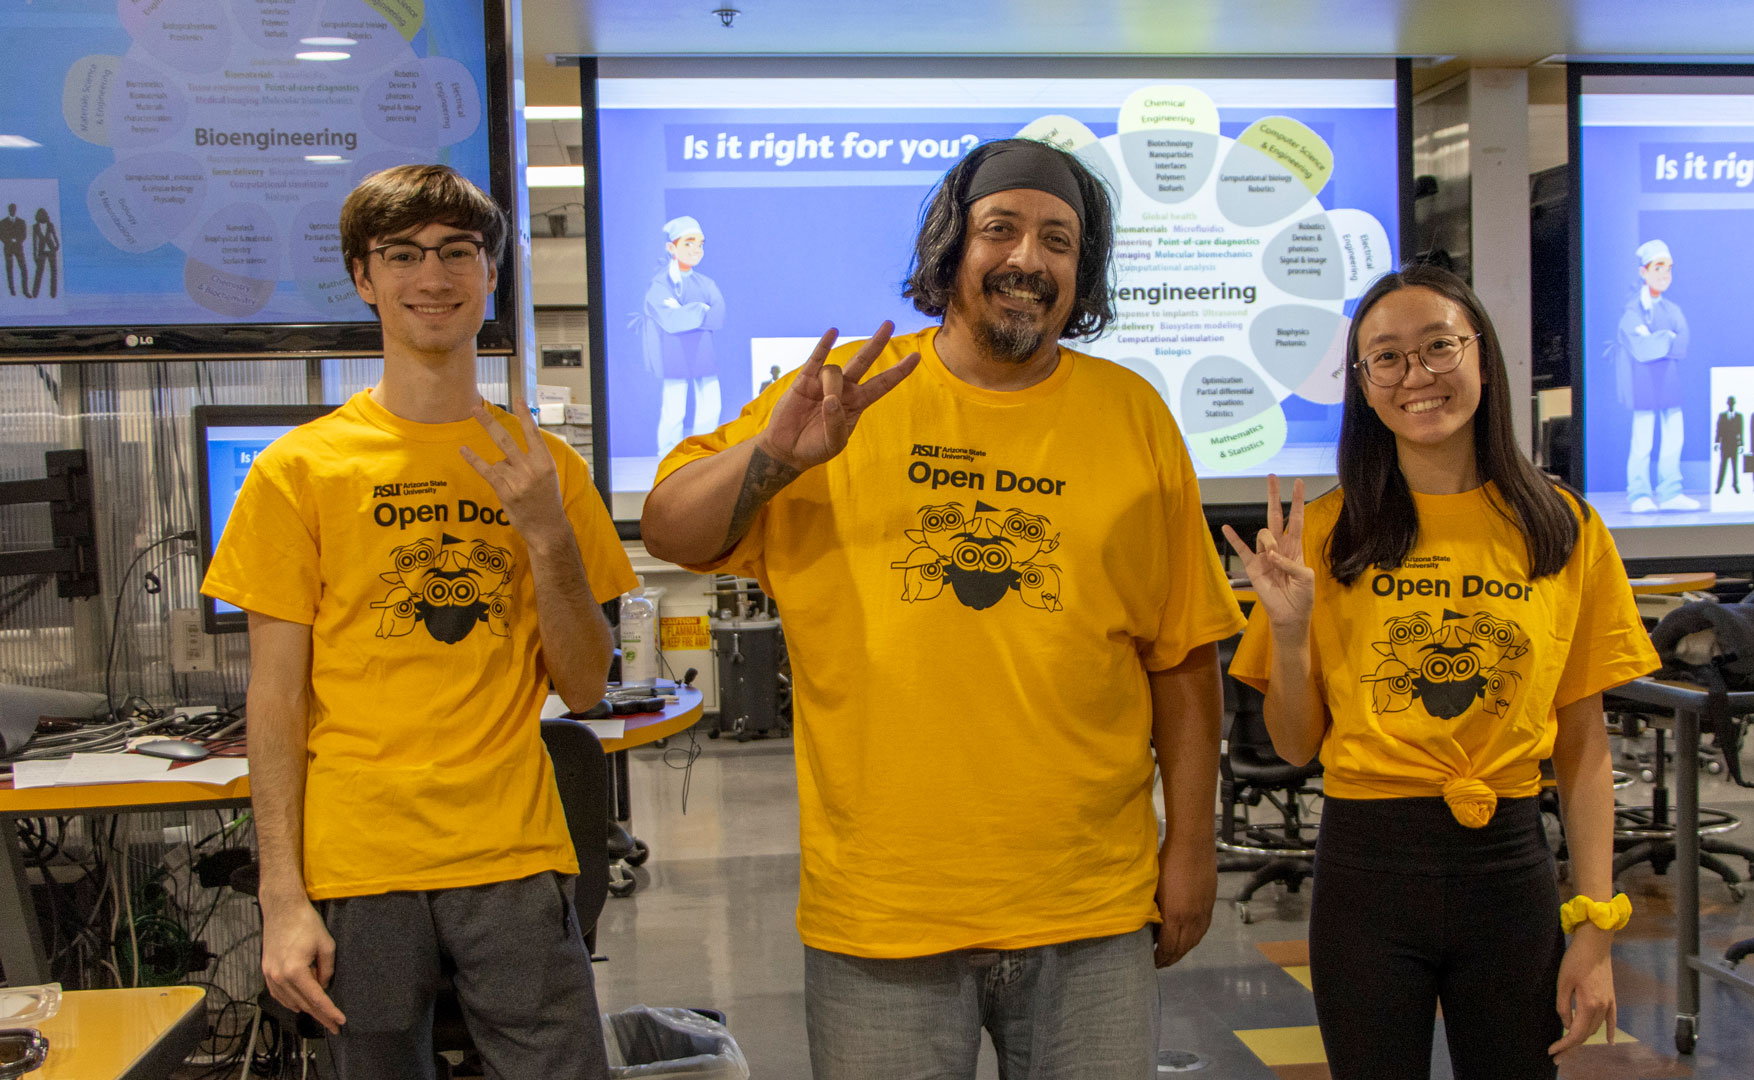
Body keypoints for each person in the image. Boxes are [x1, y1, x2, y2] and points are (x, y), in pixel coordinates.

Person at [643, 138, 1243, 1080]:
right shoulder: (849, 393)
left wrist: (1193, 851)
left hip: (1088, 909)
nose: (1027, 259)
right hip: (883, 916)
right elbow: (670, 529)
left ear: (1080, 272)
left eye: (1058, 239)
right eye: (999, 229)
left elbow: (1181, 658)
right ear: (950, 248)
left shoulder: (1134, 418)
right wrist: (779, 459)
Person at [201, 164, 634, 1080]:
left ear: (489, 277)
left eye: (456, 253)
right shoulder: (299, 473)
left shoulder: (547, 467)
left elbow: (588, 685)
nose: (431, 278)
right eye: (402, 255)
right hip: (360, 865)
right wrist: (282, 895)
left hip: (511, 852)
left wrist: (548, 537)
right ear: (364, 279)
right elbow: (275, 700)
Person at [1225, 264, 1659, 1080]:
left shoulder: (1563, 528)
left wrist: (1596, 929)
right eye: (1385, 358)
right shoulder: (1326, 534)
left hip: (1509, 872)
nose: (1415, 376)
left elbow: (1586, 746)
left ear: (1483, 360)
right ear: (1363, 383)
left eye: (1437, 348)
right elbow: (1291, 747)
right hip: (1367, 874)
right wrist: (1288, 636)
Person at [634, 215, 725, 457]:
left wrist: (689, 312)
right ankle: (668, 459)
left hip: (703, 352)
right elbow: (671, 320)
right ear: (671, 248)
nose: (696, 249)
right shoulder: (660, 285)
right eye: (688, 242)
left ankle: (704, 455)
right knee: (674, 410)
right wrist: (699, 310)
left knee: (710, 406)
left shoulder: (706, 283)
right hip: (673, 354)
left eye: (700, 244)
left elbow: (718, 315)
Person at [1616, 239, 1697, 512]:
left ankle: (1671, 490)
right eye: (1659, 267)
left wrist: (1658, 341)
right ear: (1644, 271)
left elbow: (1682, 344)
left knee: (1674, 438)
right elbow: (1640, 348)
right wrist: (1664, 340)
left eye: (1669, 268)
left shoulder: (1672, 310)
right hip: (1643, 386)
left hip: (1669, 383)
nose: (1665, 274)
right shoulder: (1632, 310)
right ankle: (1639, 493)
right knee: (1643, 442)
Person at [1714, 395, 1743, 494]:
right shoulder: (1722, 416)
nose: (1731, 404)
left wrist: (1741, 444)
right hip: (1725, 445)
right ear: (1728, 404)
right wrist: (1717, 442)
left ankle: (1735, 485)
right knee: (1723, 466)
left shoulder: (1739, 416)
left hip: (1734, 445)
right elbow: (1719, 430)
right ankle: (1719, 486)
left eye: (1732, 403)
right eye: (1730, 402)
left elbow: (1741, 431)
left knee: (1735, 466)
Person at [28, 208, 56, 300]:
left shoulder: (50, 225)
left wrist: (57, 246)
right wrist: (34, 255)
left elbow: (54, 236)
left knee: (53, 273)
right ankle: (35, 294)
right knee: (39, 273)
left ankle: (53, 294)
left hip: (51, 250)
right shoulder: (35, 227)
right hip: (41, 251)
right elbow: (34, 241)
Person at [0, 204, 25, 297]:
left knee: (23, 268)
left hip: (18, 248)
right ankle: (12, 290)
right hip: (8, 249)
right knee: (9, 269)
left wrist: (17, 241)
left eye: (14, 209)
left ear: (16, 210)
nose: (12, 210)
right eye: (11, 209)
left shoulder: (21, 222)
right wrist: (9, 241)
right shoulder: (2, 222)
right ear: (8, 210)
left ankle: (25, 290)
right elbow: (1, 235)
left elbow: (24, 235)